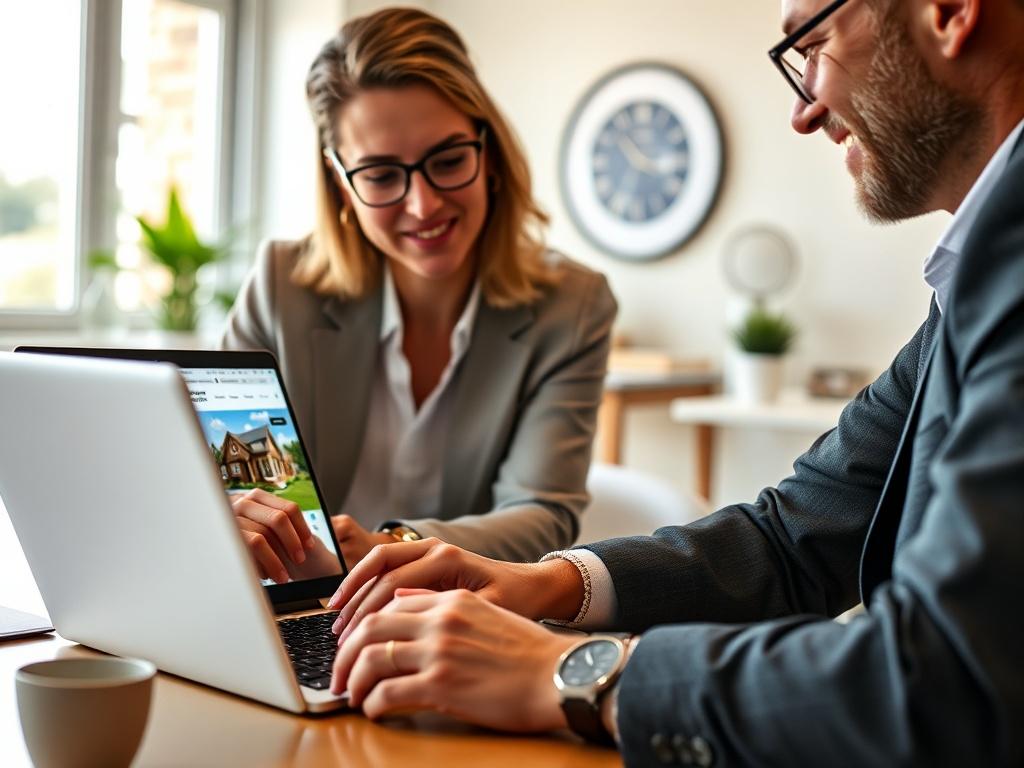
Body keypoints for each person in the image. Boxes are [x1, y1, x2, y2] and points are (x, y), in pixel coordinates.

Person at [323, 0, 1024, 764]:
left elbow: (942, 682)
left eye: (812, 42)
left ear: (949, 11)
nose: (804, 107)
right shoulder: (975, 280)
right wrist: (548, 585)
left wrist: (570, 672)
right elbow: (789, 540)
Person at [221, 8, 617, 577]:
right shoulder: (281, 287)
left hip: (457, 615)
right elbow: (225, 480)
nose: (423, 205)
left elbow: (542, 513)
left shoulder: (572, 307)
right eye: (382, 175)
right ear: (342, 183)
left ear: (490, 155)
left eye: (449, 160)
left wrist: (395, 544)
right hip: (297, 608)